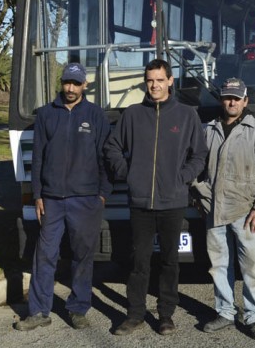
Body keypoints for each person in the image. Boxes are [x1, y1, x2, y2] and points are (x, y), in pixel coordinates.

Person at [104, 59, 208, 336]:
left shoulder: (187, 115)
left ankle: (165, 315)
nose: (155, 85)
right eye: (150, 80)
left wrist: (183, 177)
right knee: (139, 261)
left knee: (169, 261)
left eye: (160, 80)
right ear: (145, 82)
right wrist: (128, 174)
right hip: (140, 203)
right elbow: (112, 147)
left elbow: (200, 154)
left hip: (173, 201)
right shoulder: (133, 115)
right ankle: (135, 314)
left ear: (170, 81)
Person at [14, 62, 112, 332]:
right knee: (44, 255)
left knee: (83, 256)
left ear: (84, 85)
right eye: (67, 82)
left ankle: (78, 308)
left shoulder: (95, 115)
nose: (70, 88)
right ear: (62, 83)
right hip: (52, 200)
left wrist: (103, 194)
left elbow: (105, 157)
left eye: (75, 83)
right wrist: (37, 195)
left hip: (86, 200)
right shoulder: (46, 114)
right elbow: (38, 158)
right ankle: (38, 311)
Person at [193, 77, 255, 341]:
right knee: (219, 265)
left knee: (252, 266)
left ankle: (254, 316)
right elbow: (193, 163)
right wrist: (199, 194)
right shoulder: (207, 129)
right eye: (226, 97)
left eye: (236, 98)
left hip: (246, 212)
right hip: (214, 210)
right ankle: (224, 312)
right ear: (221, 100)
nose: (231, 102)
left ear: (245, 101)